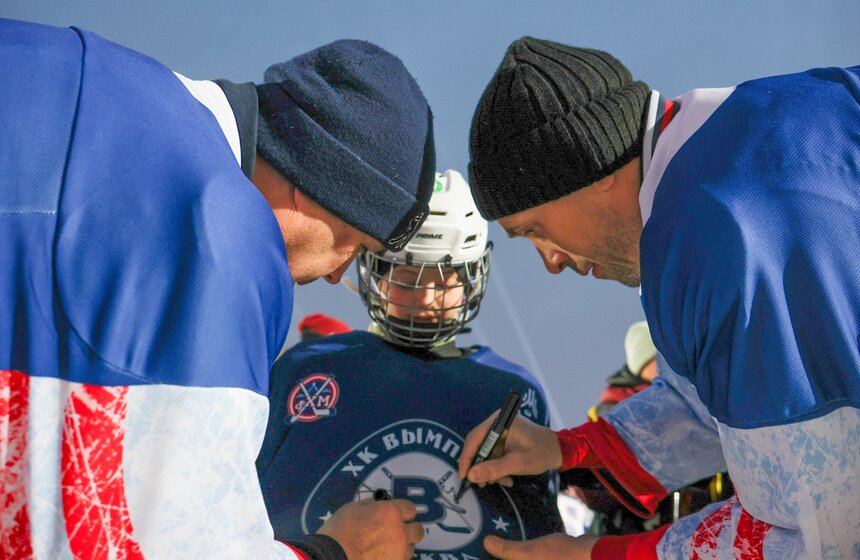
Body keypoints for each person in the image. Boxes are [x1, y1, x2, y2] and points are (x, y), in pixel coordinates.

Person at [0, 18, 436, 560]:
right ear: (316, 182)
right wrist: (335, 552)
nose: (333, 275)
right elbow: (163, 540)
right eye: (353, 243)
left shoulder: (73, 64)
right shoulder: (223, 237)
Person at [458, 37, 860, 559]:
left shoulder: (707, 236)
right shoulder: (770, 115)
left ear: (586, 168)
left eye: (533, 229)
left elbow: (821, 530)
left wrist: (595, 555)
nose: (551, 262)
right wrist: (570, 448)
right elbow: (721, 403)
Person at [256, 170, 564, 560]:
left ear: (473, 278)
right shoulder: (307, 369)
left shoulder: (513, 391)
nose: (427, 298)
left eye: (446, 279)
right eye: (407, 277)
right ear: (374, 272)